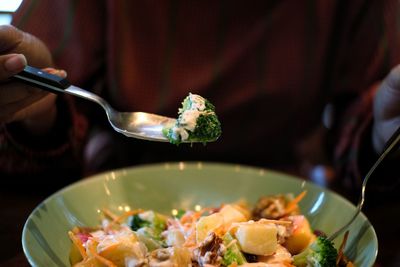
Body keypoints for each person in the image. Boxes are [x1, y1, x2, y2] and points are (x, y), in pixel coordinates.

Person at [1, 0, 400, 194]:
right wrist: (38, 114)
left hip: (287, 194)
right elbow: (48, 101)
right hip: (113, 193)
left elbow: (364, 109)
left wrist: (383, 131)